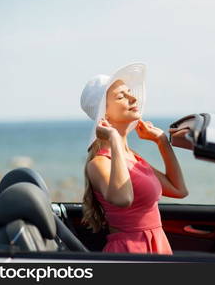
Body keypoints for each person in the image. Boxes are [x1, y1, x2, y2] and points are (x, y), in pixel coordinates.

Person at [80, 63, 188, 255]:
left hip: (156, 247)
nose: (133, 98)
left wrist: (162, 141)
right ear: (103, 113)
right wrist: (113, 139)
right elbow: (123, 199)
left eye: (130, 92)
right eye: (122, 96)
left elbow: (179, 190)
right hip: (130, 252)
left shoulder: (133, 158)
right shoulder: (100, 163)